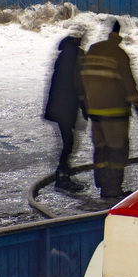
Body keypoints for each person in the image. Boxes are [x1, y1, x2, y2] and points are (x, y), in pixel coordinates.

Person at [76, 19, 138, 201]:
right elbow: (128, 82)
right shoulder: (119, 54)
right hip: (115, 112)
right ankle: (112, 189)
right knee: (117, 150)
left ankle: (102, 182)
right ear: (118, 36)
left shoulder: (93, 50)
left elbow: (82, 78)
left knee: (101, 149)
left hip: (95, 111)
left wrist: (85, 103)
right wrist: (137, 103)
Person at [42, 34, 86, 192]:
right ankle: (62, 177)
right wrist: (84, 106)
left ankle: (63, 174)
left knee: (68, 141)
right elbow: (77, 83)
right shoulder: (74, 56)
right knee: (68, 142)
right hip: (65, 107)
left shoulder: (64, 56)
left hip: (59, 106)